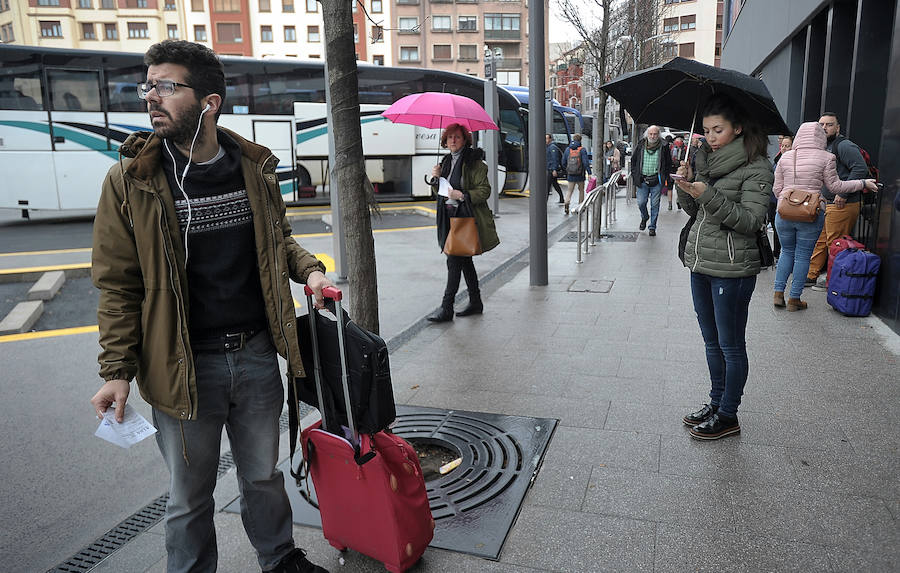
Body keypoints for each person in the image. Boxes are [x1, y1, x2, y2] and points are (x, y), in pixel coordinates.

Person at [88, 41, 331, 573]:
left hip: (257, 356)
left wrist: (309, 269)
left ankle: (280, 557)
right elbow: (117, 283)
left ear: (209, 102)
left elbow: (277, 240)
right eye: (147, 85)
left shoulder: (253, 167)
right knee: (188, 495)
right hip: (182, 365)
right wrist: (117, 371)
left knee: (263, 475)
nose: (151, 97)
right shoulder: (131, 181)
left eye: (166, 86)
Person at [674, 94, 772, 441]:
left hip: (731, 268)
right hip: (700, 262)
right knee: (711, 342)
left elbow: (750, 221)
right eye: (706, 130)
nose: (711, 137)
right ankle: (716, 402)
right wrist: (687, 188)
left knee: (730, 345)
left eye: (718, 130)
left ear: (738, 129)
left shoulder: (757, 166)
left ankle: (729, 414)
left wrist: (706, 194)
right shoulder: (707, 163)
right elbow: (697, 212)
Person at [772, 122, 876, 310]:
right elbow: (835, 187)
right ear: (820, 137)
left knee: (786, 252)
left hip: (784, 212)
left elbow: (777, 189)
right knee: (803, 256)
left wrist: (790, 201)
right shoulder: (827, 157)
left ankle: (778, 294)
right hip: (811, 212)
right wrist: (862, 183)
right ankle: (794, 299)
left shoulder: (786, 157)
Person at [427, 123, 500, 322]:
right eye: (449, 137)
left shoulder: (475, 163)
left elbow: (484, 191)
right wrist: (435, 179)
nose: (452, 140)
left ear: (465, 140)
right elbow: (442, 191)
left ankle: (446, 307)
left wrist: (463, 195)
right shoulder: (446, 161)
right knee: (465, 261)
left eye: (457, 137)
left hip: (465, 218)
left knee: (454, 260)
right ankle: (476, 302)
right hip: (448, 218)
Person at [805, 112, 870, 289]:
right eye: (821, 124)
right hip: (828, 203)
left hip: (843, 203)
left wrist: (843, 193)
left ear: (838, 128)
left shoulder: (844, 145)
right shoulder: (824, 146)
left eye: (829, 124)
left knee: (836, 244)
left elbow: (860, 168)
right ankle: (811, 275)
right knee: (820, 241)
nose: (824, 128)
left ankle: (832, 281)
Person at [630, 125, 672, 236]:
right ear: (647, 134)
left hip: (656, 181)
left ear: (658, 135)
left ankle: (652, 227)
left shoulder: (664, 146)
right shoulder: (641, 145)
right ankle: (645, 217)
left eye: (655, 134)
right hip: (642, 180)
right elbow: (634, 161)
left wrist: (664, 177)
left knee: (655, 205)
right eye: (651, 134)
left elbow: (668, 163)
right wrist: (635, 175)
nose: (653, 136)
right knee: (641, 203)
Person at [769, 134, 793, 259]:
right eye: (782, 145)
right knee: (775, 226)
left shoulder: (792, 161)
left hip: (784, 200)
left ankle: (782, 255)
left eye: (787, 146)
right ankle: (777, 252)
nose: (784, 148)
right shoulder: (778, 158)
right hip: (773, 199)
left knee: (783, 230)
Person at [563, 133, 591, 215]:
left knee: (569, 191)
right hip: (580, 174)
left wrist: (568, 169)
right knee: (581, 190)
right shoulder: (582, 150)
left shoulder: (568, 149)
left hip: (570, 174)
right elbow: (586, 162)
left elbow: (563, 161)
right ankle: (580, 206)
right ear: (580, 140)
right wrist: (589, 172)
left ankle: (566, 202)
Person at [546, 134, 565, 204]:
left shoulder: (552, 147)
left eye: (547, 139)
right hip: (550, 168)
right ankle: (562, 198)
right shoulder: (548, 147)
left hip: (551, 169)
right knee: (555, 184)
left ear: (550, 139)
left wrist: (554, 169)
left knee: (547, 186)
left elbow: (555, 159)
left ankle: (545, 202)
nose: (545, 140)